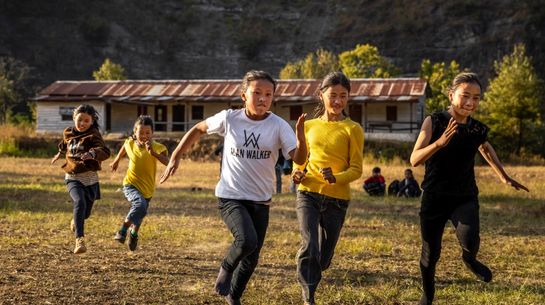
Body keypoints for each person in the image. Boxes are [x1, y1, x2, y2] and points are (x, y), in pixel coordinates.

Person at [159, 70, 307, 305]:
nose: (262, 98)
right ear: (243, 95)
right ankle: (226, 269)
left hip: (261, 200)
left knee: (252, 257)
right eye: (256, 92)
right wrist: (176, 155)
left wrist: (301, 136)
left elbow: (298, 157)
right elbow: (198, 129)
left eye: (268, 94)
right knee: (246, 241)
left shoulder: (279, 126)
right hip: (231, 196)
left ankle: (233, 296)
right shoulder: (229, 118)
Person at [410, 72, 529, 305]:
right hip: (434, 197)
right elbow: (414, 159)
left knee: (470, 238)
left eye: (476, 98)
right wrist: (440, 142)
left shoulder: (477, 129)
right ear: (451, 95)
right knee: (431, 253)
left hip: (464, 195)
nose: (470, 103)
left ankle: (469, 258)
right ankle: (428, 293)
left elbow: (485, 148)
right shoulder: (434, 121)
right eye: (465, 96)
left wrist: (504, 177)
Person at [291, 71, 364, 305]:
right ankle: (309, 296)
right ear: (321, 95)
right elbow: (300, 159)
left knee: (323, 257)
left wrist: (336, 178)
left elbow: (357, 169)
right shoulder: (309, 125)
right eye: (333, 95)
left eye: (343, 96)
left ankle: (321, 262)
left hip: (337, 200)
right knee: (309, 244)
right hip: (308, 192)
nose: (337, 101)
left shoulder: (352, 129)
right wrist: (297, 171)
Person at [51, 104, 111, 254]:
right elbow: (65, 144)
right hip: (72, 177)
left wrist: (93, 154)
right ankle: (80, 240)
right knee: (79, 201)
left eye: (86, 120)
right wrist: (59, 153)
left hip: (90, 179)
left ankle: (76, 220)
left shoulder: (94, 135)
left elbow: (104, 151)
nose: (82, 123)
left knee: (86, 213)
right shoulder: (68, 132)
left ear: (92, 121)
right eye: (79, 120)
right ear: (74, 118)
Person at [110, 115, 169, 251]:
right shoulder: (130, 143)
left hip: (147, 189)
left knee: (140, 214)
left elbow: (167, 162)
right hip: (130, 184)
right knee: (140, 205)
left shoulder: (158, 147)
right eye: (140, 132)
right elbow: (125, 146)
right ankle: (123, 230)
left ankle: (134, 234)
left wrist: (153, 153)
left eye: (147, 133)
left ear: (152, 133)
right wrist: (117, 160)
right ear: (135, 133)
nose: (144, 136)